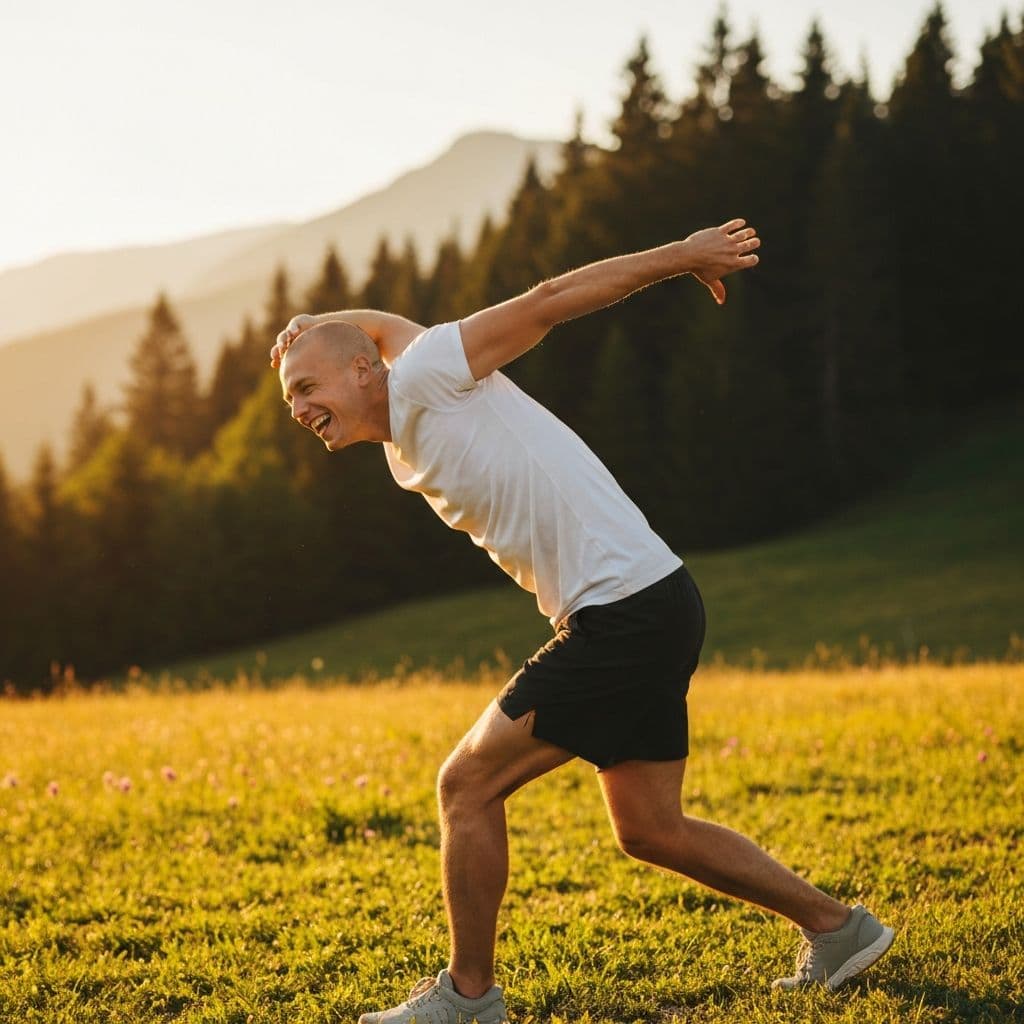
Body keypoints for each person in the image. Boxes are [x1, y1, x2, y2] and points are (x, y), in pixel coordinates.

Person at [271, 220, 894, 1024]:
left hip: (623, 612)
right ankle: (839, 930)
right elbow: (382, 330)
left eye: (306, 388)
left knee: (466, 785)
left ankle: (468, 998)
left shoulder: (427, 373)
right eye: (291, 398)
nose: (299, 409)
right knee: (650, 829)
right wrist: (320, 327)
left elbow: (549, 300)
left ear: (362, 372)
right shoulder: (406, 419)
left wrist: (681, 257)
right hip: (652, 601)